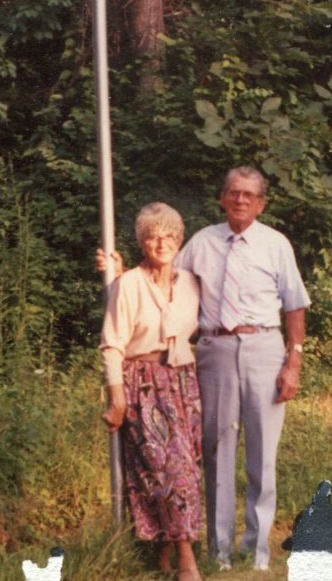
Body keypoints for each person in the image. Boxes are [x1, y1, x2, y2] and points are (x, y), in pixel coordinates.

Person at [97, 167, 311, 572]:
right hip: (215, 351)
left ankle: (256, 552)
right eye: (234, 193)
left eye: (249, 195)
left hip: (264, 348)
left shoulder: (276, 244)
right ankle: (220, 552)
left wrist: (293, 362)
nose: (241, 200)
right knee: (214, 451)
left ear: (261, 203)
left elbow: (295, 304)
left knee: (263, 453)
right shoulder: (202, 242)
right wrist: (119, 274)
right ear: (222, 198)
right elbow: (160, 272)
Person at [100, 202, 204, 581]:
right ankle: (187, 561)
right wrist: (117, 398)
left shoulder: (191, 282)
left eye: (169, 235)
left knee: (187, 468)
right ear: (142, 241)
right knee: (167, 470)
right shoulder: (128, 284)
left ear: (180, 239)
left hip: (183, 381)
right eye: (152, 236)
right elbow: (112, 345)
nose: (162, 243)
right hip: (143, 383)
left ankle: (164, 552)